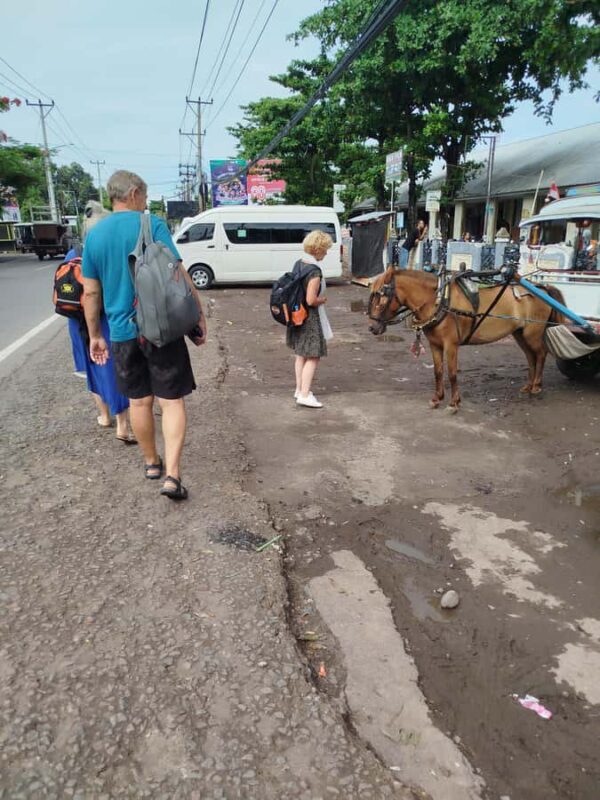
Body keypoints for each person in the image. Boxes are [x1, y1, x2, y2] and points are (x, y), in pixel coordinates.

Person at [82, 170, 207, 501]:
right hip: (161, 329)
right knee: (171, 400)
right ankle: (173, 476)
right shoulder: (151, 225)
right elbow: (176, 272)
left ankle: (152, 462)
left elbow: (91, 293)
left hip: (122, 331)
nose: (146, 202)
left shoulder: (94, 236)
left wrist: (96, 334)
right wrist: (198, 313)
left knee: (139, 400)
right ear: (134, 192)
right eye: (146, 195)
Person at [65, 201, 135, 443]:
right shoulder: (107, 249)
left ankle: (104, 416)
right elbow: (99, 292)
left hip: (77, 321)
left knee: (93, 368)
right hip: (102, 317)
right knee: (113, 367)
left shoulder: (74, 252)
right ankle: (123, 425)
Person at [287, 230, 333, 409]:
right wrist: (322, 300)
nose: (327, 253)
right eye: (325, 249)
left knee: (300, 354)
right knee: (313, 355)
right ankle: (305, 395)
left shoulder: (299, 263)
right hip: (310, 319)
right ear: (318, 249)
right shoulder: (314, 271)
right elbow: (311, 300)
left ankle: (299, 390)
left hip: (296, 316)